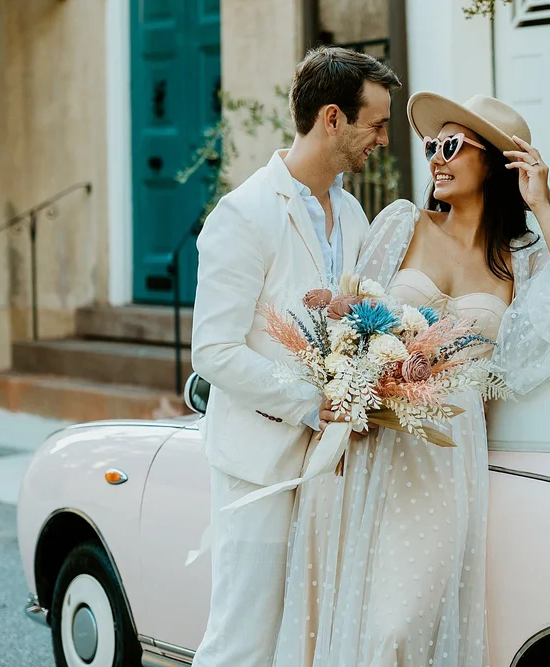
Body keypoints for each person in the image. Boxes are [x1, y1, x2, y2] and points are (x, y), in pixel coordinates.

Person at [274, 93, 550, 666]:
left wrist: (542, 205)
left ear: (498, 164)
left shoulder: (522, 257)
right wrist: (351, 389)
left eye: (452, 145)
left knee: (398, 626)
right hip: (363, 447)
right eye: (432, 146)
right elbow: (347, 316)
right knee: (343, 621)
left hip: (440, 462)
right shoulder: (402, 223)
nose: (436, 158)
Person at [189, 46, 400, 667]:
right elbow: (215, 351)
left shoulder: (355, 215)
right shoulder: (243, 215)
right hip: (261, 464)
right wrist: (316, 402)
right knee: (243, 641)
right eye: (377, 124)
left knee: (309, 642)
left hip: (337, 473)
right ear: (333, 118)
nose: (384, 140)